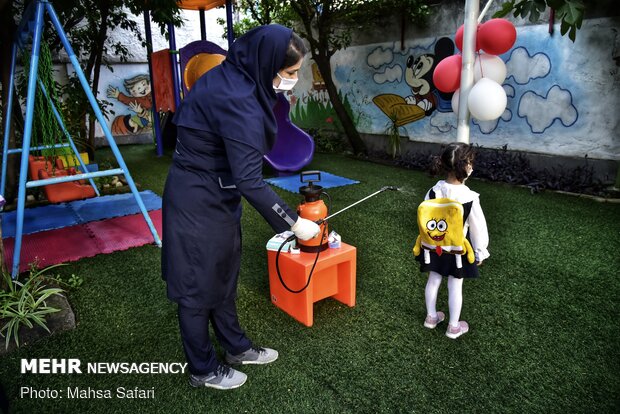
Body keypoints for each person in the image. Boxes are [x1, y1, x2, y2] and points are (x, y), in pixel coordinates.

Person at [161, 25, 320, 390]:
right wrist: (295, 223)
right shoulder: (236, 99)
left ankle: (236, 347)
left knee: (223, 272)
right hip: (196, 198)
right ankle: (203, 369)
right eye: (291, 72)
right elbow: (250, 180)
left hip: (219, 191)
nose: (293, 81)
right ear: (268, 64)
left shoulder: (237, 75)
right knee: (196, 286)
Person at [415, 143, 489, 339]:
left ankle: (431, 317)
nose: (472, 167)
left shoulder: (433, 191)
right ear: (463, 167)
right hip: (457, 250)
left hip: (432, 248)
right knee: (455, 286)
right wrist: (480, 252)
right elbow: (478, 228)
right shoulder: (469, 197)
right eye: (470, 163)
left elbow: (425, 219)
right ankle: (453, 327)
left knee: (433, 280)